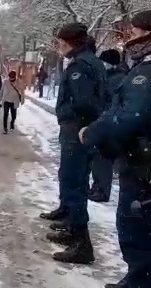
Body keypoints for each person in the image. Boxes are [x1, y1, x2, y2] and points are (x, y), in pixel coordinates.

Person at [79, 9, 151, 288]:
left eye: (134, 34)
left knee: (136, 229)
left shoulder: (149, 71)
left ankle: (139, 282)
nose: (130, 40)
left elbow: (130, 116)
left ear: (150, 35)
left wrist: (95, 133)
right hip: (143, 162)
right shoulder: (143, 66)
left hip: (143, 166)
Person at [40, 22, 107, 265]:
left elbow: (85, 102)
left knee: (74, 183)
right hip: (80, 131)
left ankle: (81, 243)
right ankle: (73, 231)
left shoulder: (81, 65)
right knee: (73, 179)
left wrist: (71, 118)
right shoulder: (90, 61)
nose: (58, 47)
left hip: (77, 131)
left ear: (69, 42)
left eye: (60, 42)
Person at [87, 49, 127, 203]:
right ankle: (97, 187)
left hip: (110, 124)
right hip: (104, 120)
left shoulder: (117, 79)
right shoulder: (110, 77)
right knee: (98, 158)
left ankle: (102, 191)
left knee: (103, 159)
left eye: (104, 62)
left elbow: (113, 103)